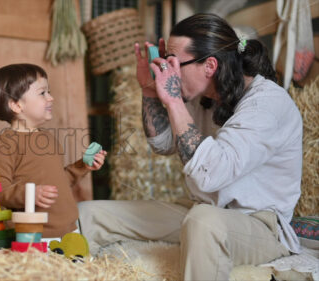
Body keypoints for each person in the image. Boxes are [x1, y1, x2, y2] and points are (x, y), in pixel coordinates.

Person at [78, 13, 302, 280]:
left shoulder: (266, 104)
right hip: (201, 211)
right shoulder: (206, 94)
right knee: (89, 214)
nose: (167, 70)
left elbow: (210, 175)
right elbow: (162, 143)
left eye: (174, 63)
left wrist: (173, 101)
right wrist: (150, 90)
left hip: (260, 226)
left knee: (203, 222)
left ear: (209, 65)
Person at [0, 63, 107, 240]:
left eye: (49, 92)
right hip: (34, 234)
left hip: (70, 230)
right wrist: (30, 194)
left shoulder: (48, 139)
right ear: (17, 105)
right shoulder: (5, 144)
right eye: (42, 93)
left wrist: (83, 165)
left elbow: (60, 182)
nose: (51, 98)